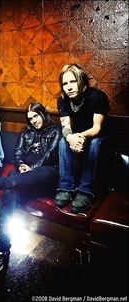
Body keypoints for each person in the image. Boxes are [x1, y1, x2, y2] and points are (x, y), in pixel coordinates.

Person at [0, 101, 62, 275]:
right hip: (22, 178)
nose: (33, 120)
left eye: (36, 116)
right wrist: (21, 166)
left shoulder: (56, 131)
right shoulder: (25, 132)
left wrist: (31, 169)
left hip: (45, 176)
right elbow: (17, 153)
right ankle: (2, 250)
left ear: (43, 114)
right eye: (30, 118)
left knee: (44, 172)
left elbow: (50, 155)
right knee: (10, 190)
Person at [53, 63, 110, 213]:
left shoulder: (97, 97)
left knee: (94, 143)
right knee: (62, 142)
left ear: (82, 81)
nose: (69, 87)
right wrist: (70, 138)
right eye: (65, 83)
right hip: (77, 134)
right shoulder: (63, 100)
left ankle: (85, 191)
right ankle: (65, 187)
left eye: (72, 81)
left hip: (98, 137)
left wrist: (77, 137)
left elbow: (96, 128)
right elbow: (65, 126)